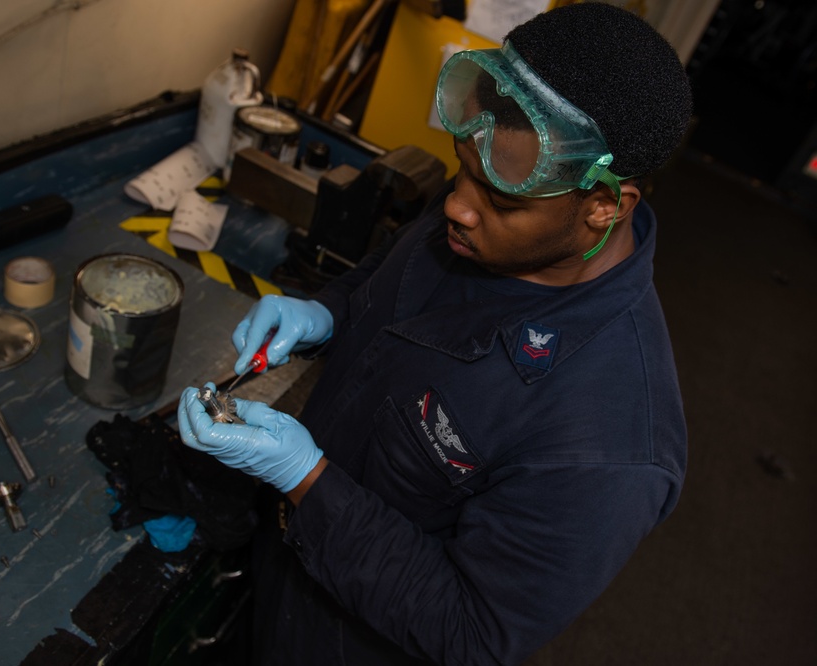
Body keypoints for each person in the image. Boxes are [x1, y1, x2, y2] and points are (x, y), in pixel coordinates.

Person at [176, 3, 692, 664]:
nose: (457, 205)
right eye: (461, 171)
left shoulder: (607, 449)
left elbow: (471, 633)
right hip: (283, 581)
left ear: (603, 208)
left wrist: (308, 482)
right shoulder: (486, 202)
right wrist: (330, 313)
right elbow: (389, 271)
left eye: (498, 201)